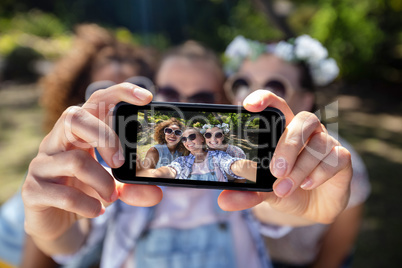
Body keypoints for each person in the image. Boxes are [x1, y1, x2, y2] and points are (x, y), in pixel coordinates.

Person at [21, 40, 353, 268]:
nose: (180, 111)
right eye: (169, 95)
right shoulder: (122, 165)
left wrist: (292, 187)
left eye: (199, 97)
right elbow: (69, 243)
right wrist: (50, 229)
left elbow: (273, 206)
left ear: (220, 102)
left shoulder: (225, 164)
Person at [0, 23, 158, 268]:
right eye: (101, 91)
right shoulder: (61, 169)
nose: (119, 102)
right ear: (80, 103)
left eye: (138, 86)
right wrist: (51, 234)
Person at [224, 35, 370, 268]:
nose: (253, 95)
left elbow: (334, 255)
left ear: (305, 99)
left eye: (275, 86)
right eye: (242, 83)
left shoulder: (338, 163)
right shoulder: (221, 145)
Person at [137, 127, 254, 182]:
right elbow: (170, 171)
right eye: (184, 139)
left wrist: (252, 170)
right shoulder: (182, 161)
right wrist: (151, 174)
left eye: (192, 137)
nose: (188, 141)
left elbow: (233, 165)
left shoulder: (218, 156)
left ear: (202, 139)